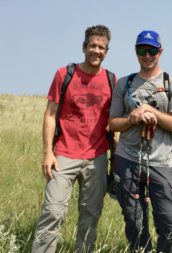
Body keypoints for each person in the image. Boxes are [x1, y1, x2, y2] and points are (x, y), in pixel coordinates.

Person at [31, 24, 116, 253]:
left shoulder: (111, 79)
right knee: (53, 213)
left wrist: (114, 159)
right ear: (84, 47)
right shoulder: (65, 74)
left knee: (90, 217)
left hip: (97, 157)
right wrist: (47, 152)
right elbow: (50, 115)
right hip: (63, 155)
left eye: (102, 47)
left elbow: (113, 122)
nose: (96, 51)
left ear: (106, 51)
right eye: (92, 46)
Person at [109, 30, 172, 253]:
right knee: (134, 222)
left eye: (152, 50)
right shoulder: (125, 83)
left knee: (170, 224)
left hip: (161, 162)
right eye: (142, 50)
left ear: (160, 52)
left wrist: (152, 112)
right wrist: (133, 118)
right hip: (128, 158)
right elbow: (113, 123)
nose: (147, 55)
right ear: (136, 52)